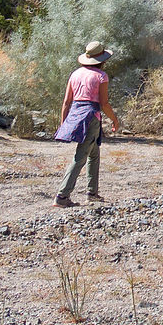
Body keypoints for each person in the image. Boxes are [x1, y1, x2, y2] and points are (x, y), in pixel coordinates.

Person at [53, 40, 121, 207]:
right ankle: (62, 196)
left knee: (94, 154)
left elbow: (67, 102)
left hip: (76, 115)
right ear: (102, 60)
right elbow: (104, 104)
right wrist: (114, 119)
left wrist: (64, 123)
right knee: (81, 156)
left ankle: (92, 192)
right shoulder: (101, 76)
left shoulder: (75, 74)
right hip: (91, 117)